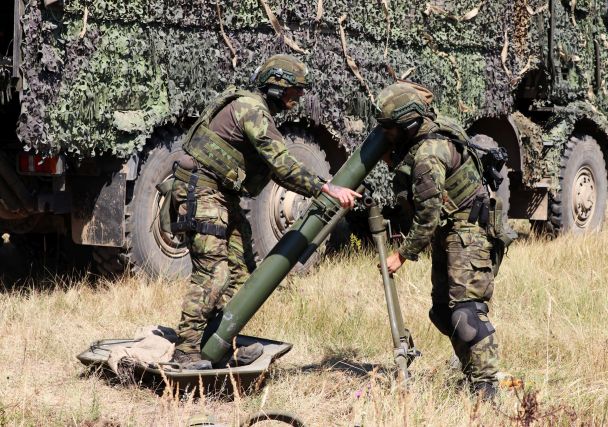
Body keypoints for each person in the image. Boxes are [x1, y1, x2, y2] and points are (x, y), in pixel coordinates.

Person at [170, 54, 360, 365]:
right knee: (214, 273)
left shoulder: (256, 109)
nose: (297, 100)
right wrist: (325, 188)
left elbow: (275, 168)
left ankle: (221, 344)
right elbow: (282, 165)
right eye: (293, 92)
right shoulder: (252, 109)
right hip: (201, 191)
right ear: (275, 87)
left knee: (241, 273)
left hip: (220, 195)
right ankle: (186, 351)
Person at [375, 82, 500, 398]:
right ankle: (470, 373)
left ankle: (486, 388)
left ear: (409, 124)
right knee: (442, 312)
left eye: (390, 128)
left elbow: (428, 216)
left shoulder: (429, 155)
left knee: (466, 313)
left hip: (469, 231)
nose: (385, 134)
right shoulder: (428, 131)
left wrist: (401, 255)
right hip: (450, 229)